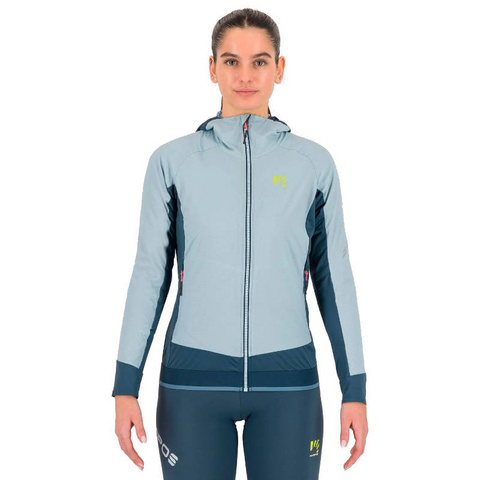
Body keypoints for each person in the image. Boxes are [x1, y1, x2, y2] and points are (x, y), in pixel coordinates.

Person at [112, 8, 368, 480]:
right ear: (212, 68)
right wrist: (125, 385)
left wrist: (354, 390)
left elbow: (335, 280)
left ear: (280, 68)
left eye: (260, 62)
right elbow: (149, 274)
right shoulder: (173, 163)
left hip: (289, 386)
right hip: (191, 385)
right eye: (231, 61)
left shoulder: (312, 165)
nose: (245, 76)